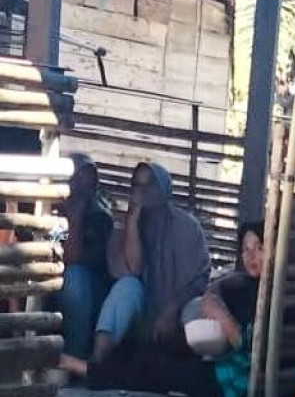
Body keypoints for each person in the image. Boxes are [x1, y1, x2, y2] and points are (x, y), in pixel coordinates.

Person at [59, 222, 264, 397]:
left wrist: (222, 316)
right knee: (155, 360)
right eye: (245, 249)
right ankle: (85, 368)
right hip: (224, 371)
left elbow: (255, 355)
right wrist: (213, 298)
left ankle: (78, 367)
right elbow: (216, 289)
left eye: (259, 247)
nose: (251, 256)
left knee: (159, 372)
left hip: (234, 384)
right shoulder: (246, 285)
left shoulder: (275, 297)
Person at [92, 162, 211, 362]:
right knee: (126, 288)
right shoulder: (125, 228)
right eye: (138, 186)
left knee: (197, 309)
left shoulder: (187, 226)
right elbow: (133, 269)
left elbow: (200, 280)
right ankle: (96, 363)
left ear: (165, 189)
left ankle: (199, 370)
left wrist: (172, 309)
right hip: (142, 313)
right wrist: (132, 223)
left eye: (150, 185)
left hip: (180, 307)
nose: (143, 192)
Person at [59, 153, 114, 359]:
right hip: (54, 281)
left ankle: (75, 356)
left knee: (75, 278)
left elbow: (74, 258)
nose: (80, 186)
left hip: (91, 291)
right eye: (76, 178)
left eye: (87, 180)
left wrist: (76, 217)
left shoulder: (100, 218)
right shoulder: (53, 213)